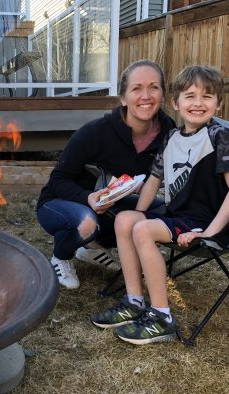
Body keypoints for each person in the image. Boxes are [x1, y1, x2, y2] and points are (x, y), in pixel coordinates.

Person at [90, 65, 229, 345]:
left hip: (205, 222)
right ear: (176, 102)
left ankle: (162, 317)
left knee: (143, 231)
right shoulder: (172, 137)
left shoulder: (217, 137)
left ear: (218, 103)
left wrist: (208, 233)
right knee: (125, 220)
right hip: (178, 216)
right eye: (190, 96)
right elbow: (154, 178)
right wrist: (138, 212)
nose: (198, 103)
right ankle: (134, 301)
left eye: (207, 97)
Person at [36, 60, 176, 290]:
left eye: (154, 87)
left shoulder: (168, 131)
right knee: (86, 222)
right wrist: (88, 198)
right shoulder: (96, 132)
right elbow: (58, 180)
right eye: (136, 88)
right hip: (62, 202)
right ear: (123, 98)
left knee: (161, 211)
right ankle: (61, 256)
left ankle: (91, 247)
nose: (146, 95)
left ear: (162, 93)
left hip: (113, 202)